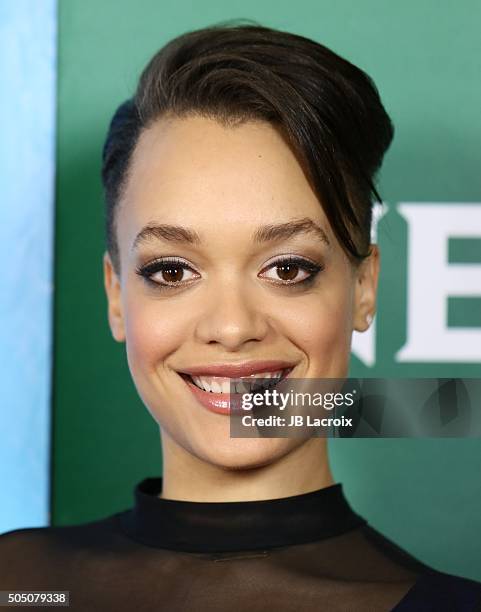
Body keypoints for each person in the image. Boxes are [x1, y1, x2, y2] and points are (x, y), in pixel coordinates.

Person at [1, 22, 480, 612]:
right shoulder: (21, 585)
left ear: (363, 288)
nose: (231, 327)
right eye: (172, 271)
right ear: (116, 295)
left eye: (287, 269)